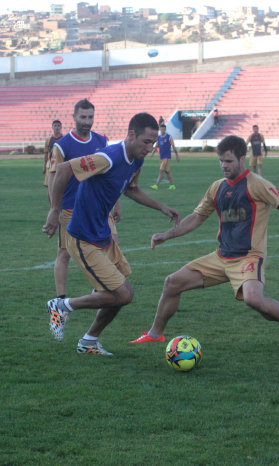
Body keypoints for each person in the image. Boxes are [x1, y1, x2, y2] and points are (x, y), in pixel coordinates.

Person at [131, 135, 279, 351]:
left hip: (249, 257)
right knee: (172, 282)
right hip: (221, 257)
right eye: (221, 161)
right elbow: (197, 217)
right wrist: (166, 235)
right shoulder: (216, 188)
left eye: (229, 161)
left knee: (254, 300)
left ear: (242, 158)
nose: (224, 166)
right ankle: (155, 334)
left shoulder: (257, 184)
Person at [42, 112, 181, 355]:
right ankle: (62, 305)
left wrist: (161, 206)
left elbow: (131, 190)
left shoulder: (136, 159)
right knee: (122, 294)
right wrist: (54, 211)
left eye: (153, 143)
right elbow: (64, 170)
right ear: (131, 135)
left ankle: (89, 341)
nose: (149, 148)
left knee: (120, 294)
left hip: (103, 235)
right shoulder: (107, 157)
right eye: (146, 142)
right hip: (83, 237)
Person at [48, 99, 121, 300]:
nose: (87, 121)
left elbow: (110, 176)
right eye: (83, 117)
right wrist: (54, 210)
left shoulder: (102, 141)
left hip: (100, 208)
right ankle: (60, 301)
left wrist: (116, 204)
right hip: (71, 208)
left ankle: (100, 291)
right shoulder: (62, 146)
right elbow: (53, 178)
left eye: (90, 117)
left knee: (112, 244)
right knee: (64, 253)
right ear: (74, 117)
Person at [149, 123, 179, 190]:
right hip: (161, 157)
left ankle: (156, 185)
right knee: (167, 171)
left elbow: (173, 146)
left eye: (163, 129)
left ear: (165, 129)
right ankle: (172, 185)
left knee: (161, 170)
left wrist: (177, 155)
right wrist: (152, 154)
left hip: (167, 156)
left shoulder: (169, 137)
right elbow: (156, 146)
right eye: (161, 129)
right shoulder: (159, 138)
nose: (162, 130)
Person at [43, 120, 63, 196]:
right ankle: (52, 207)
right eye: (55, 126)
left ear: (61, 127)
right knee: (50, 190)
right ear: (52, 127)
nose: (57, 127)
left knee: (61, 188)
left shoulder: (64, 139)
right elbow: (46, 153)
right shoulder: (48, 140)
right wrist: (44, 166)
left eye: (58, 126)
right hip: (50, 166)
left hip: (61, 165)